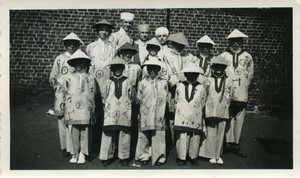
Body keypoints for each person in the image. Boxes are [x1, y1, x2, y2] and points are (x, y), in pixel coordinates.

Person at [49, 32, 83, 158]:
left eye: (74, 44)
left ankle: (75, 146)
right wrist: (57, 86)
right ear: (65, 45)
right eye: (69, 44)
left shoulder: (81, 58)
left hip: (76, 93)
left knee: (74, 119)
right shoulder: (60, 59)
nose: (71, 46)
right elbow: (53, 75)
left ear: (78, 45)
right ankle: (65, 146)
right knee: (62, 119)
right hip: (62, 93)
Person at [86, 19, 117, 157]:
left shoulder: (113, 47)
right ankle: (94, 144)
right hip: (94, 83)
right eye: (101, 30)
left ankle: (108, 145)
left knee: (108, 114)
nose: (103, 32)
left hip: (108, 83)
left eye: (106, 30)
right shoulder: (91, 47)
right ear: (97, 31)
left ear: (109, 32)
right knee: (95, 113)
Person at [221, 29, 254, 157]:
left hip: (241, 92)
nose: (235, 44)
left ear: (241, 42)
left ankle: (236, 143)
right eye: (233, 41)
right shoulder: (224, 56)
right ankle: (227, 143)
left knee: (239, 117)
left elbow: (250, 74)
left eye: (238, 41)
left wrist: (245, 85)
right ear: (229, 42)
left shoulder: (247, 56)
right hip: (228, 92)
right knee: (227, 115)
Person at [59, 50, 96, 164]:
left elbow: (93, 93)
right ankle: (74, 152)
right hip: (72, 108)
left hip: (86, 109)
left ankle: (83, 153)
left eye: (82, 62)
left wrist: (92, 108)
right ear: (73, 64)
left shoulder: (90, 77)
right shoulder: (69, 77)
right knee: (73, 130)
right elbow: (65, 92)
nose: (79, 65)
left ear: (86, 63)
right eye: (76, 63)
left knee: (85, 131)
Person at [99, 56, 133, 166]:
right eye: (115, 68)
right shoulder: (108, 82)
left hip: (124, 109)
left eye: (119, 67)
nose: (117, 70)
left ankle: (124, 156)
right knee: (108, 132)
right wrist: (107, 106)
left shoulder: (128, 81)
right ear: (112, 69)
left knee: (124, 133)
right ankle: (106, 156)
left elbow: (131, 96)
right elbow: (104, 96)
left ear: (123, 68)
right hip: (111, 109)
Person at [198, 55, 232, 165]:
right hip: (210, 110)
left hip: (223, 110)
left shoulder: (228, 80)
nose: (218, 69)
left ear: (224, 68)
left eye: (221, 67)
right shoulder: (208, 80)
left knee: (221, 133)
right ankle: (211, 155)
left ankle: (218, 155)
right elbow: (204, 94)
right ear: (212, 67)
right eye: (216, 66)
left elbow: (230, 95)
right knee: (211, 133)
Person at [135, 57, 168, 166]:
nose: (153, 71)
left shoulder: (163, 83)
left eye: (155, 68)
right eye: (150, 68)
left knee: (158, 134)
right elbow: (138, 97)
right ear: (147, 70)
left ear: (158, 69)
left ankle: (159, 157)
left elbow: (166, 97)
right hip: (145, 112)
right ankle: (144, 155)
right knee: (144, 135)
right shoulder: (142, 82)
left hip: (159, 112)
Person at [164, 32, 194, 148]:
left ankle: (182, 141)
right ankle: (172, 139)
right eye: (177, 44)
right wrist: (176, 82)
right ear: (173, 44)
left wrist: (185, 81)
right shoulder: (167, 56)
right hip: (173, 89)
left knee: (184, 113)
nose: (180, 47)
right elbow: (167, 72)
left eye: (182, 45)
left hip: (187, 88)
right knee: (172, 114)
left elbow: (192, 70)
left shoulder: (189, 57)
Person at [174, 64, 206, 166]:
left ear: (197, 75)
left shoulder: (201, 87)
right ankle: (181, 157)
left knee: (195, 135)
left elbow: (203, 101)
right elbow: (176, 99)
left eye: (194, 75)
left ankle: (193, 157)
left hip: (195, 114)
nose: (191, 76)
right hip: (182, 114)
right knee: (183, 136)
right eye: (189, 74)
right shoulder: (180, 85)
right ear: (185, 75)